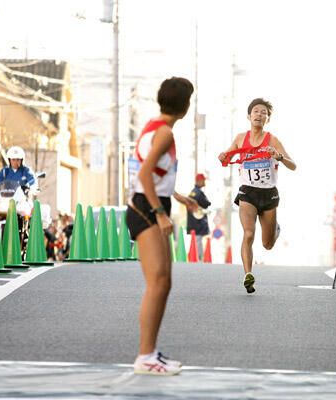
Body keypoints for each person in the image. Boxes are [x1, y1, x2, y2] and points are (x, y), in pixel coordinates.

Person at [125, 77, 198, 375]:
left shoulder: (154, 126)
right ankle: (145, 357)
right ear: (185, 106)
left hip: (151, 203)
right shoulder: (165, 132)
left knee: (164, 282)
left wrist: (177, 197)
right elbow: (144, 175)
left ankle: (151, 353)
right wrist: (160, 214)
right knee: (157, 283)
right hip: (146, 208)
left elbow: (154, 173)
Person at [218, 98, 296, 293]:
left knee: (267, 244)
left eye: (264, 113)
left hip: (269, 195)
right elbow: (227, 156)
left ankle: (275, 229)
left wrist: (279, 157)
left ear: (267, 119)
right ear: (249, 116)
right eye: (256, 111)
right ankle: (248, 275)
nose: (259, 115)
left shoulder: (272, 140)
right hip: (248, 192)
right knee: (248, 233)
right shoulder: (240, 138)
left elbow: (293, 165)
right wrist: (223, 156)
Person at [187, 173, 211, 260]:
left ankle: (197, 257)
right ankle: (198, 258)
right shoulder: (198, 193)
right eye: (203, 180)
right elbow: (206, 203)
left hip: (194, 221)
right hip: (197, 221)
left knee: (197, 239)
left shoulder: (194, 192)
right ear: (198, 181)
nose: (204, 182)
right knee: (198, 240)